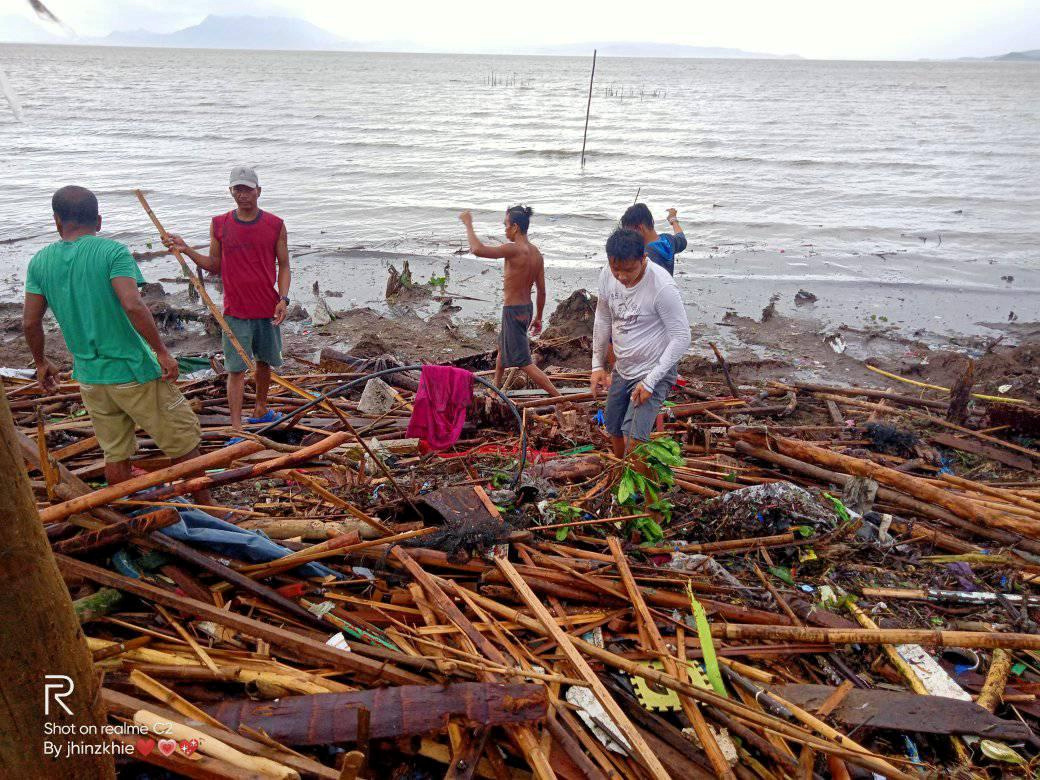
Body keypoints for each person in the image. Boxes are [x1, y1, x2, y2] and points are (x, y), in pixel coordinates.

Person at [23, 185, 212, 502]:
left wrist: (41, 362)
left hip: (91, 378)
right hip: (132, 370)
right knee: (182, 441)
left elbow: (30, 322)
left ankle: (126, 510)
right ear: (98, 221)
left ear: (57, 220)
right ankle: (210, 508)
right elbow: (133, 304)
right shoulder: (112, 252)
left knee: (115, 454)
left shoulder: (40, 262)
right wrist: (162, 352)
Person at [164, 166, 290, 437]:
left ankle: (260, 409)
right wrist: (186, 249)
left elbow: (284, 265)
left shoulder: (275, 224)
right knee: (235, 369)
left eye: (247, 189)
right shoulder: (220, 224)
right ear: (231, 191)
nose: (242, 194)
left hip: (267, 307)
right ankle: (236, 427)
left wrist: (283, 298)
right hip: (235, 310)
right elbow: (214, 265)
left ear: (258, 191)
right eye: (237, 189)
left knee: (265, 362)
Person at [591, 228, 691, 458]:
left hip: (653, 369)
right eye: (616, 269)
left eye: (629, 270)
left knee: (634, 438)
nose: (622, 276)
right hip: (623, 368)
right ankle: (622, 475)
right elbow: (603, 316)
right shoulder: (607, 274)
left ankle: (643, 480)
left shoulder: (662, 286)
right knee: (614, 427)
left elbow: (682, 336)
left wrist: (650, 382)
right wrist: (597, 365)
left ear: (643, 258)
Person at [459, 205, 562, 397]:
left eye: (506, 225)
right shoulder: (536, 253)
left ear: (515, 227)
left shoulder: (513, 249)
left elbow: (477, 249)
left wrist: (468, 224)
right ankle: (495, 390)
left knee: (525, 363)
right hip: (526, 310)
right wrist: (538, 317)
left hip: (513, 311)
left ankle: (560, 398)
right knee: (502, 347)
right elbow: (541, 291)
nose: (505, 229)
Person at [620, 202, 687, 276]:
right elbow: (682, 239)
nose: (628, 238)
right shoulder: (668, 240)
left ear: (639, 228)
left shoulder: (645, 255)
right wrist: (673, 220)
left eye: (629, 233)